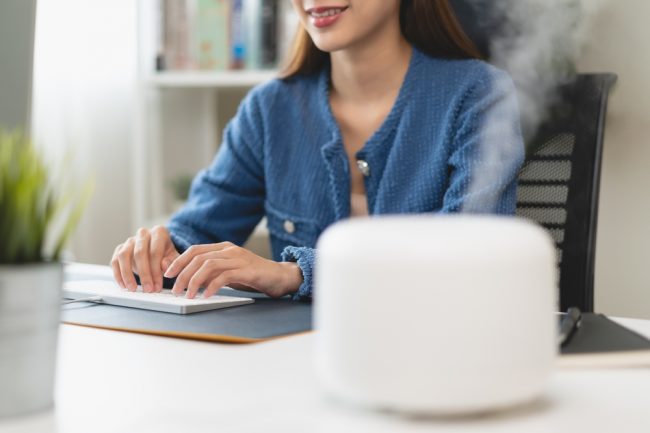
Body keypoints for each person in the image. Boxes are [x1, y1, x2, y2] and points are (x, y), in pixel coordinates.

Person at [111, 0, 524, 301]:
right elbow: (200, 228)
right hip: (300, 365)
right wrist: (161, 253)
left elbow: (469, 252)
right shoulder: (270, 109)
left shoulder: (479, 95)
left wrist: (296, 274)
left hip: (442, 357)